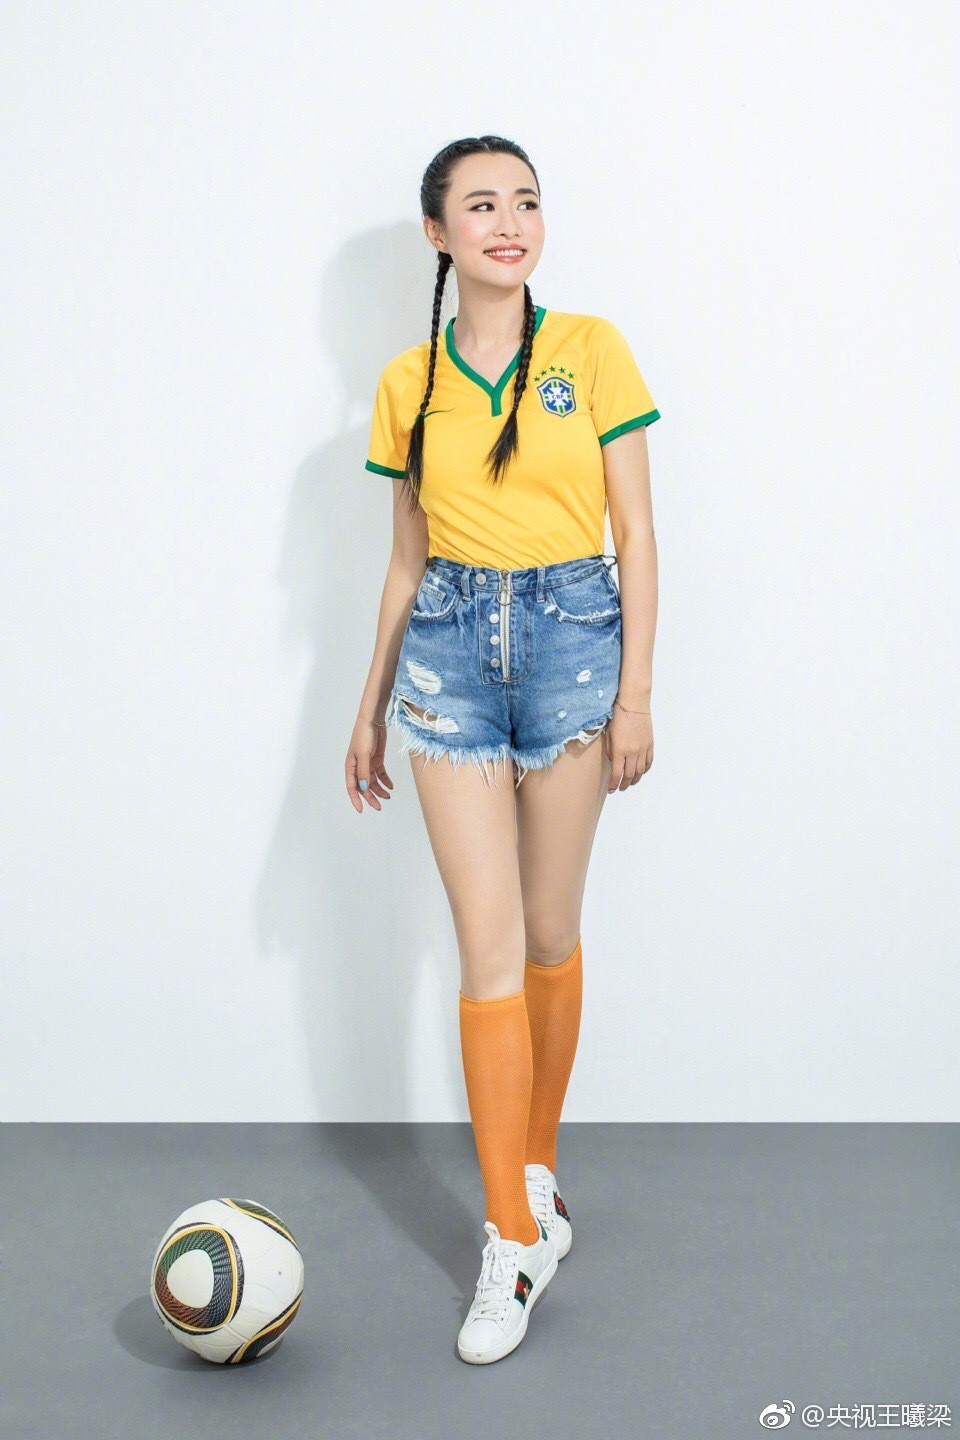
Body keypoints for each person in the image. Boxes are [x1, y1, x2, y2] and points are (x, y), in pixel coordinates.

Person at [346, 135, 660, 1365]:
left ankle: (536, 1169)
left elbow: (637, 530)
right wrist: (369, 704)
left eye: (525, 201)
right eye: (481, 205)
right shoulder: (407, 382)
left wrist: (637, 694)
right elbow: (405, 559)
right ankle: (510, 1238)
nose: (510, 222)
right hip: (446, 659)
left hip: (578, 642)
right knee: (483, 951)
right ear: (439, 233)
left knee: (546, 933)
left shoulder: (592, 349)